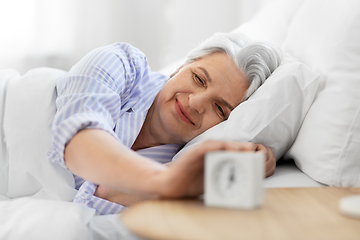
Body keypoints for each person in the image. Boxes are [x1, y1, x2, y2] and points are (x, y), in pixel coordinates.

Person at [48, 32, 282, 215]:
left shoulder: (179, 160)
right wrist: (165, 182)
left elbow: (103, 195)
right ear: (179, 68)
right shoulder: (121, 63)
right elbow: (78, 140)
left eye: (220, 109)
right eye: (198, 79)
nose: (195, 102)